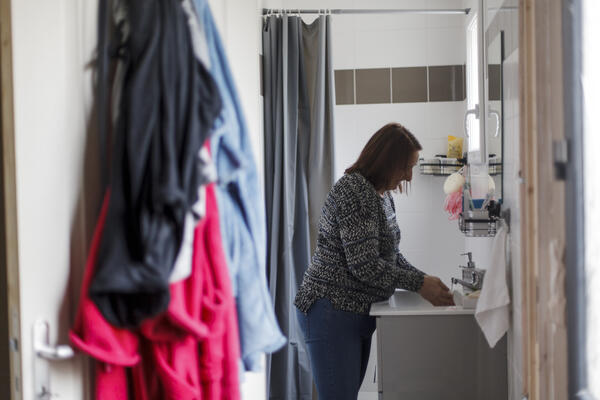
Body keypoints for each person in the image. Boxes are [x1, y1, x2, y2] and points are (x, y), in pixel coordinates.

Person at [294, 123, 454, 400]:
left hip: (353, 313)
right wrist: (419, 284)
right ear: (386, 161)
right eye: (406, 166)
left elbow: (391, 257)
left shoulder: (382, 195)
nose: (409, 176)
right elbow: (364, 265)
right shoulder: (355, 191)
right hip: (330, 310)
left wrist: (425, 281)